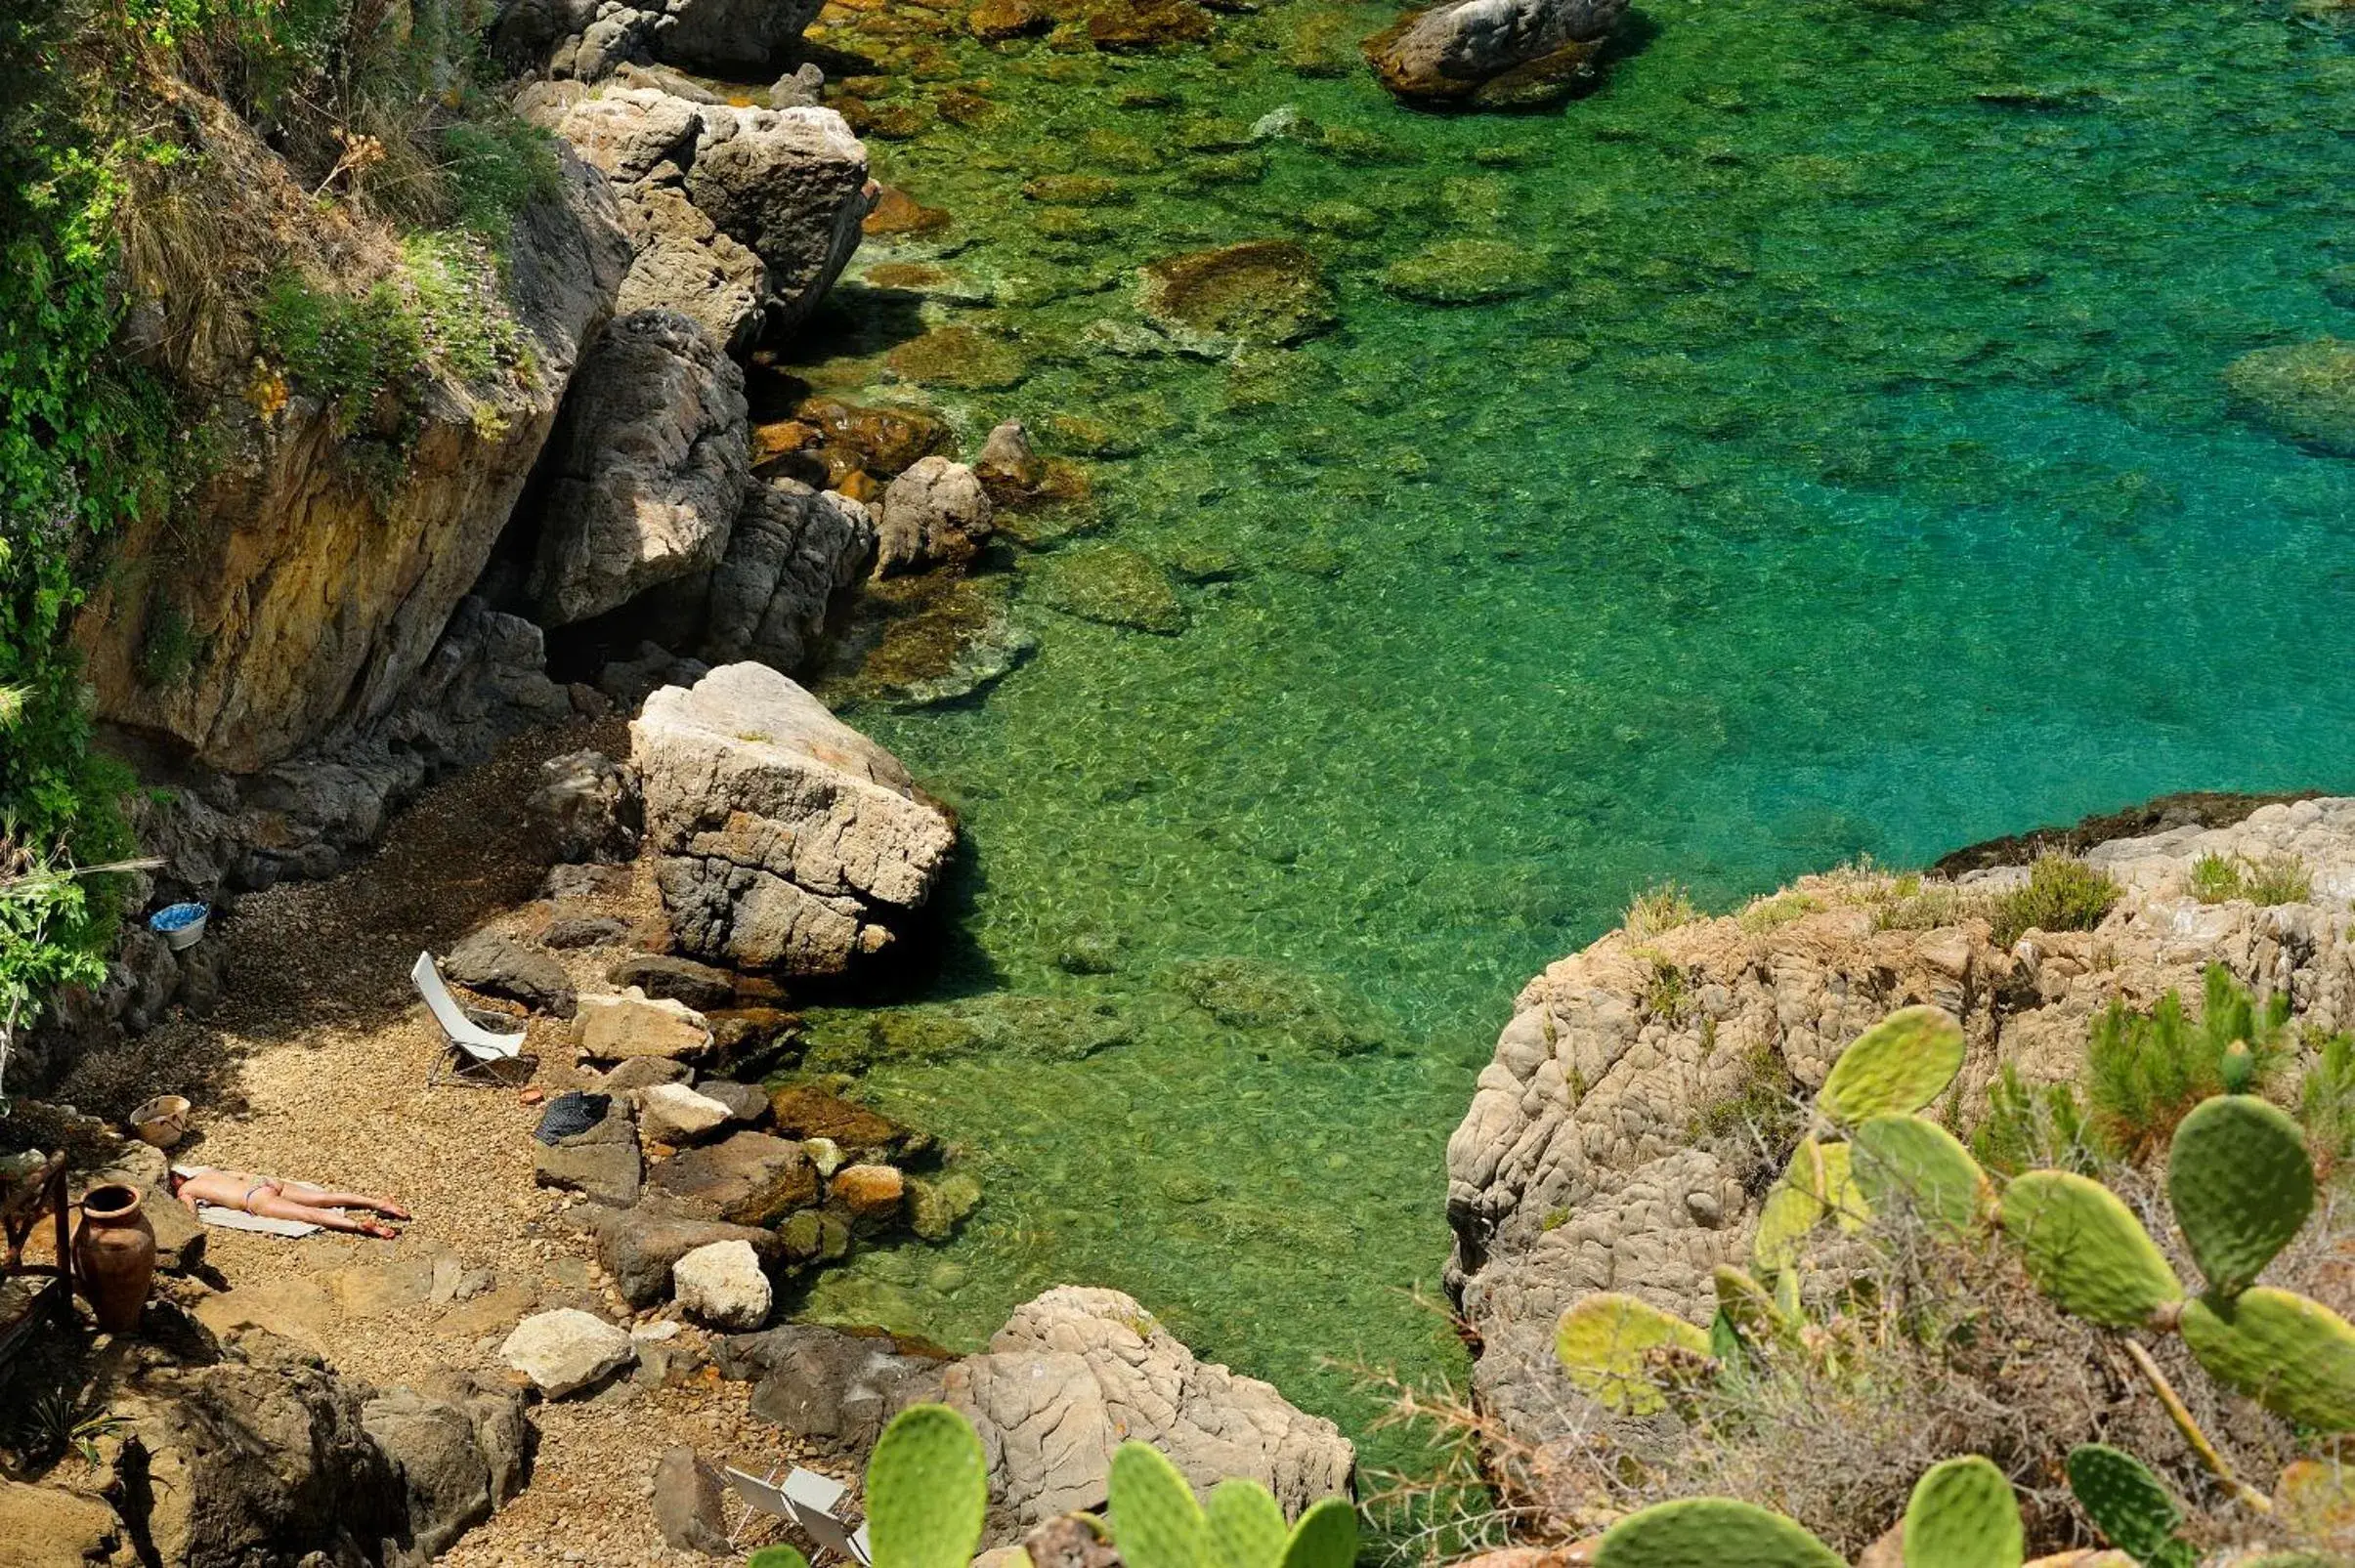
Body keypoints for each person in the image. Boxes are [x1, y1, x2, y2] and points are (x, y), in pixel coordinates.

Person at [167, 1165, 411, 1239]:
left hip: (254, 1198)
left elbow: (190, 1214)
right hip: (263, 1182)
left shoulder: (187, 1190)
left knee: (309, 1214)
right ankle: (379, 1203)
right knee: (324, 1198)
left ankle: (360, 1227)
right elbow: (242, 1174)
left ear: (176, 1182)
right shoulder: (208, 1173)